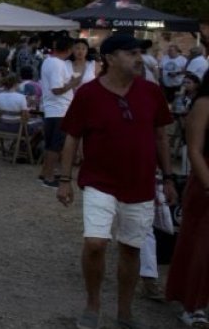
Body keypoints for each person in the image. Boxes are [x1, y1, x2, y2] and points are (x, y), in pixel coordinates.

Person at [56, 32, 177, 329]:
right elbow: (72, 137)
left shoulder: (150, 92)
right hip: (100, 180)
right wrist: (64, 178)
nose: (138, 58)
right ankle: (93, 303)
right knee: (96, 243)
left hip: (140, 182)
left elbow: (161, 136)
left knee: (131, 248)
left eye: (139, 53)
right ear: (109, 59)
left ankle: (125, 311)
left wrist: (170, 177)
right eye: (130, 53)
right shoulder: (88, 94)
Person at [166, 74, 209, 327]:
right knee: (202, 245)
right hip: (205, 177)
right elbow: (194, 149)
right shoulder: (204, 103)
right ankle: (193, 304)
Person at [39, 34, 83, 188]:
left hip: (52, 109)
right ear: (69, 49)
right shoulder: (57, 64)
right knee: (55, 146)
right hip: (59, 109)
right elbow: (57, 89)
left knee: (51, 144)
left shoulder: (48, 62)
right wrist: (73, 83)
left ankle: (45, 173)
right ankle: (49, 177)